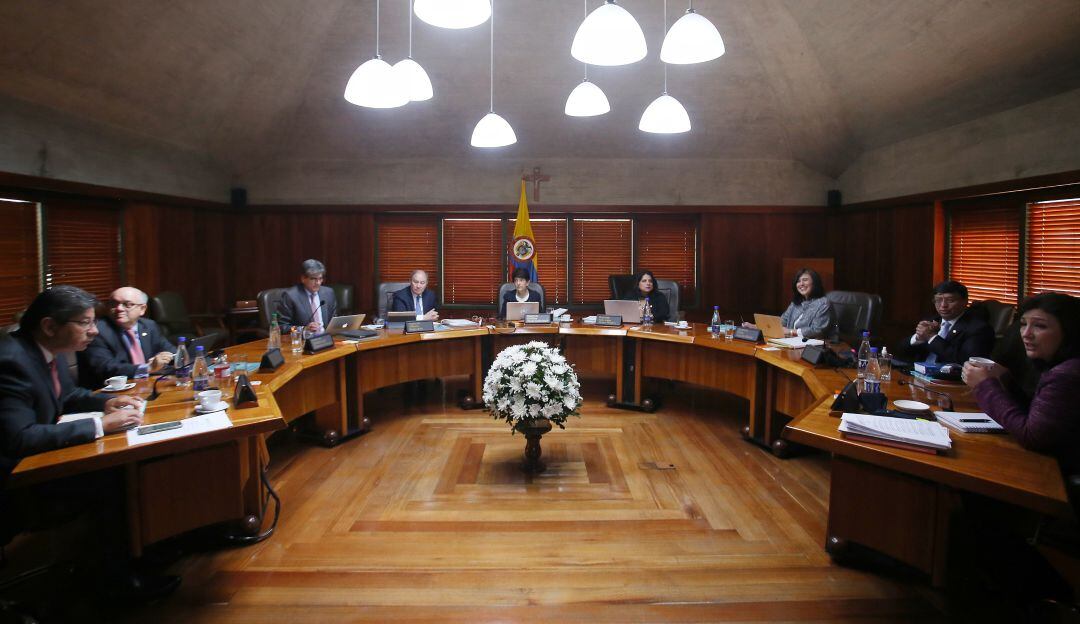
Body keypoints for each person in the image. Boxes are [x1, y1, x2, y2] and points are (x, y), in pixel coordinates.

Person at [0, 286, 179, 600]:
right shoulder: (11, 362)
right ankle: (113, 579)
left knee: (129, 463)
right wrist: (99, 424)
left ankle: (138, 552)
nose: (95, 330)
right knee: (116, 475)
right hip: (16, 480)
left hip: (33, 459)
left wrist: (106, 403)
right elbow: (20, 437)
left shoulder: (42, 351)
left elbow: (67, 397)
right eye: (84, 323)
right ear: (50, 326)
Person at [962, 292, 1080, 459]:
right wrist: (1006, 380)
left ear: (1069, 330)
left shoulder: (1066, 374)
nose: (1026, 333)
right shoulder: (1059, 364)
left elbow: (1032, 436)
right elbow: (1039, 415)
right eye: (1023, 324)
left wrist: (985, 385)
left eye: (1040, 326)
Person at [77, 286, 175, 389]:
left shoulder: (149, 326)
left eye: (127, 304)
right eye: (114, 304)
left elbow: (170, 350)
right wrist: (148, 368)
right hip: (110, 392)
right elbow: (106, 368)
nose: (119, 309)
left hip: (148, 386)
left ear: (142, 309)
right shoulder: (97, 330)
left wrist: (171, 358)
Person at [897, 280, 994, 364]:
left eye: (950, 300)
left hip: (950, 382)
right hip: (918, 376)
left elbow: (965, 361)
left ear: (965, 301)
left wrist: (932, 337)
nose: (943, 305)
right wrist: (918, 337)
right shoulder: (932, 321)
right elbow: (900, 351)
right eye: (938, 300)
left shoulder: (978, 328)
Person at [743, 268, 834, 339]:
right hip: (791, 343)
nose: (801, 284)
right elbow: (781, 322)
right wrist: (755, 327)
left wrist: (790, 332)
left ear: (815, 283)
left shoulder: (823, 303)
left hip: (812, 348)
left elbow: (817, 330)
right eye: (798, 281)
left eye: (805, 280)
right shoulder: (795, 303)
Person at [277, 259, 337, 333]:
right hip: (305, 341)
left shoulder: (328, 293)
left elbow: (334, 319)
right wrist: (303, 329)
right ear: (303, 278)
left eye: (320, 278)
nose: (318, 283)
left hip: (327, 338)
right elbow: (281, 326)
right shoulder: (290, 296)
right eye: (313, 279)